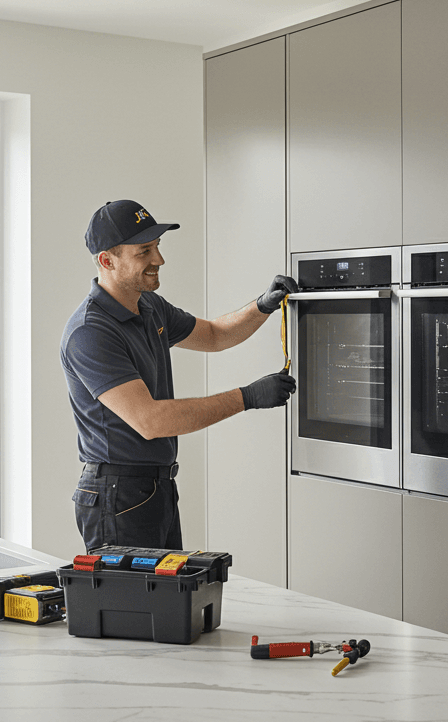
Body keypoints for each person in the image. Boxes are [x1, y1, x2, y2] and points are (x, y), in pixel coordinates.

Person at [61, 199, 298, 553]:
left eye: (157, 246)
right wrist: (246, 397)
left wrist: (262, 305)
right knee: (136, 592)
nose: (159, 259)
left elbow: (214, 335)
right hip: (118, 497)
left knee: (167, 590)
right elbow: (151, 420)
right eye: (144, 251)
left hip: (155, 489)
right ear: (107, 261)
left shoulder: (149, 306)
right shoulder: (90, 332)